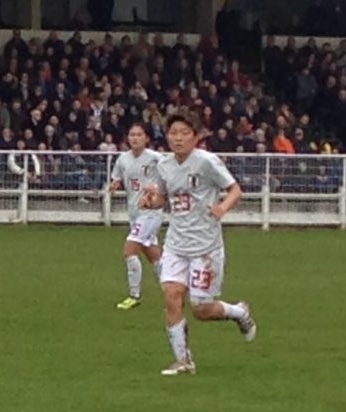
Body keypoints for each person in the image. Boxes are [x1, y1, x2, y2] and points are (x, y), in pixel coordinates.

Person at [138, 110, 256, 375]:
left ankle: (239, 312)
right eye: (173, 133)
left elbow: (235, 189)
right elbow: (164, 198)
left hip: (205, 246)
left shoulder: (207, 162)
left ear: (196, 137)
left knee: (202, 309)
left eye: (184, 133)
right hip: (176, 243)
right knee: (171, 296)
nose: (178, 138)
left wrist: (222, 208)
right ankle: (183, 360)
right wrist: (150, 202)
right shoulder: (164, 165)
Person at [106, 122, 165, 309]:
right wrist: (114, 185)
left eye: (139, 135)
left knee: (129, 250)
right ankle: (175, 289)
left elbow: (170, 178)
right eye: (132, 135)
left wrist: (155, 190)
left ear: (146, 138)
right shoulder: (123, 159)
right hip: (134, 213)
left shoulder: (157, 158)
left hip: (151, 212)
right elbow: (117, 178)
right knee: (154, 255)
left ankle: (134, 295)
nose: (135, 138)